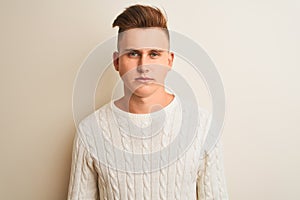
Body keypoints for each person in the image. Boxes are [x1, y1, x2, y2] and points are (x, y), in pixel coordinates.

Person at [67, 4, 229, 200]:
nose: (143, 66)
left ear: (169, 61)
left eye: (154, 54)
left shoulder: (203, 127)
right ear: (117, 62)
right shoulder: (90, 131)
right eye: (133, 54)